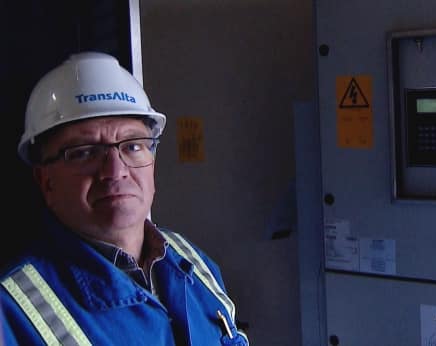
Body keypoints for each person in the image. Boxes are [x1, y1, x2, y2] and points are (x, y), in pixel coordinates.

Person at [0, 51, 249, 345]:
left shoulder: (193, 262)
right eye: (84, 152)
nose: (115, 171)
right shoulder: (12, 312)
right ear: (46, 181)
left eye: (132, 146)